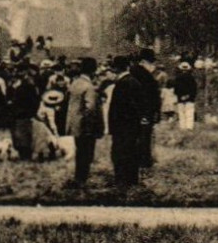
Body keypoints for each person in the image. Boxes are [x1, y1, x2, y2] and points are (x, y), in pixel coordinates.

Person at [109, 52, 155, 187]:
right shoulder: (132, 82)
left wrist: (117, 125)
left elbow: (124, 108)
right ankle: (130, 180)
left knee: (121, 153)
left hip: (123, 126)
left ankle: (123, 181)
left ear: (116, 68)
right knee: (130, 152)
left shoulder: (124, 83)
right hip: (130, 125)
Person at [65, 57, 103, 187]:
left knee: (80, 152)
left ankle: (78, 177)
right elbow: (90, 108)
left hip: (74, 124)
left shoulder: (74, 83)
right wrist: (92, 127)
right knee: (86, 154)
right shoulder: (89, 87)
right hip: (86, 126)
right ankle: (82, 180)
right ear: (93, 70)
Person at [7, 68, 41, 161]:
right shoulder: (14, 87)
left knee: (22, 136)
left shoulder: (25, 88)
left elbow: (32, 101)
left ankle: (25, 155)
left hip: (22, 114)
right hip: (19, 115)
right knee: (20, 136)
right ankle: (24, 154)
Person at [173, 61, 198, 131]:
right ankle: (189, 127)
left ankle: (182, 127)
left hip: (180, 98)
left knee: (181, 113)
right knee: (189, 113)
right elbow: (194, 89)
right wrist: (189, 96)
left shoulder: (177, 78)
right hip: (190, 98)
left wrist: (180, 96)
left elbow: (176, 89)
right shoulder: (192, 78)